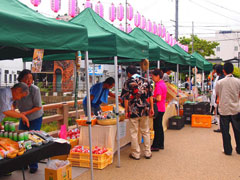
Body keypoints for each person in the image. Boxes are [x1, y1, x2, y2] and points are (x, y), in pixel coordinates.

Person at [121, 65, 154, 160]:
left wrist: (126, 110)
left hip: (133, 110)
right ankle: (148, 152)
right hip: (145, 109)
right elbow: (150, 96)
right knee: (145, 131)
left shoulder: (128, 82)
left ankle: (136, 154)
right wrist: (151, 107)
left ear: (128, 73)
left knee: (134, 132)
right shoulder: (146, 81)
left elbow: (126, 98)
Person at [14, 69, 43, 173]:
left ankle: (33, 166)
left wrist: (25, 113)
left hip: (35, 117)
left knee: (32, 140)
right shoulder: (17, 89)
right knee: (21, 140)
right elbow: (14, 102)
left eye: (30, 79)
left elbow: (38, 107)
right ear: (20, 79)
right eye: (26, 78)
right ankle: (23, 163)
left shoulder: (35, 90)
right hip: (23, 117)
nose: (29, 81)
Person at [215, 62, 240, 156]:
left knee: (225, 131)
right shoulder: (238, 81)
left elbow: (217, 94)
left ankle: (228, 150)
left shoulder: (220, 82)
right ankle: (239, 148)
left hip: (224, 108)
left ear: (223, 71)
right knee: (237, 130)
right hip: (235, 108)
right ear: (233, 70)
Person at [151, 69, 167, 151]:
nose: (152, 78)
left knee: (157, 127)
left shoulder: (158, 85)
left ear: (157, 76)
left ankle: (156, 145)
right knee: (159, 127)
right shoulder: (163, 84)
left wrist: (151, 99)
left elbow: (158, 98)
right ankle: (160, 144)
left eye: (153, 76)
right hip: (162, 108)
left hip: (158, 108)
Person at [213, 65, 225, 133]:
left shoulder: (221, 78)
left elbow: (219, 90)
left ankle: (221, 128)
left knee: (220, 114)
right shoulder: (220, 77)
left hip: (219, 99)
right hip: (220, 98)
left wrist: (217, 99)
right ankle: (221, 127)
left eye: (215, 70)